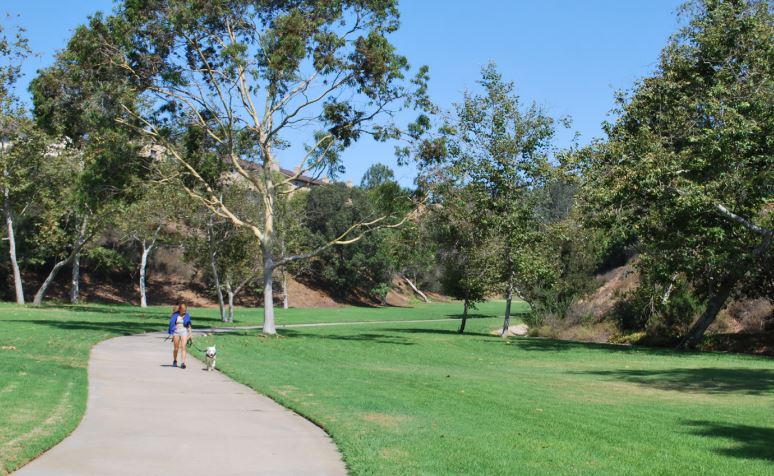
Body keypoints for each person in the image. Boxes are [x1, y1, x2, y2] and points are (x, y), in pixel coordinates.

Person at [167, 303, 192, 369]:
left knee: (183, 347)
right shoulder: (175, 315)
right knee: (176, 348)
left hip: (184, 331)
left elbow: (189, 325)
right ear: (180, 309)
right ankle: (175, 360)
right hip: (176, 332)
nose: (184, 311)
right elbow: (172, 323)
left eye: (185, 310)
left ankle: (183, 363)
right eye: (183, 310)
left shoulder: (187, 315)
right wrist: (172, 331)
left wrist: (190, 334)